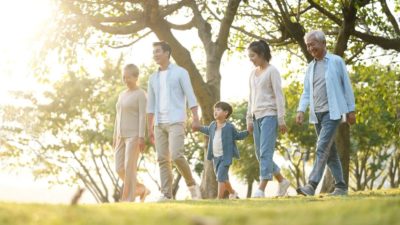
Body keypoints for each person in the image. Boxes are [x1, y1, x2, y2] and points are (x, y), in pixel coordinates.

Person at [296, 30, 356, 196]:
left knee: (322, 147)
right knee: (330, 152)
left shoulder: (336, 61)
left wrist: (351, 109)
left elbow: (347, 86)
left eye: (312, 44)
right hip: (317, 115)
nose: (310, 48)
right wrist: (301, 109)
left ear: (323, 43)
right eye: (308, 45)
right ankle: (341, 187)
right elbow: (306, 92)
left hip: (333, 112)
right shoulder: (310, 67)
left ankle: (311, 185)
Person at [147, 41, 201, 201]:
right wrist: (149, 127)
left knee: (177, 155)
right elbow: (150, 104)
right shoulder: (152, 78)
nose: (155, 55)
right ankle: (166, 194)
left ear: (167, 53)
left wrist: (195, 118)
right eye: (154, 52)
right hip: (159, 123)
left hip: (176, 120)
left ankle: (192, 185)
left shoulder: (180, 72)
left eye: (158, 51)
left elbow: (190, 95)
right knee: (162, 159)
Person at [246, 40, 291, 198]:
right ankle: (282, 180)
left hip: (270, 115)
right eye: (249, 56)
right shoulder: (252, 73)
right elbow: (251, 97)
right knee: (260, 154)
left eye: (253, 55)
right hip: (256, 116)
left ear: (262, 54)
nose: (251, 59)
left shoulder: (272, 71)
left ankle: (261, 188)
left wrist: (281, 118)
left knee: (265, 152)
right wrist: (249, 119)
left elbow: (279, 96)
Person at [194, 101, 248, 199]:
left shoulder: (229, 127)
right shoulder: (212, 125)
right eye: (215, 110)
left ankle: (219, 198)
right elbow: (206, 130)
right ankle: (233, 193)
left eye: (218, 110)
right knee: (223, 177)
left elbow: (238, 136)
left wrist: (248, 131)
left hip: (225, 157)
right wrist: (198, 128)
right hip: (215, 157)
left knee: (220, 177)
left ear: (225, 112)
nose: (215, 112)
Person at [113, 64, 150, 202]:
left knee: (129, 168)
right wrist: (115, 136)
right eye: (124, 77)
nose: (125, 79)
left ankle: (128, 199)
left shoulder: (141, 94)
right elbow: (118, 116)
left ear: (136, 77)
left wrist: (141, 137)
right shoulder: (121, 95)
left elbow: (142, 116)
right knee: (119, 168)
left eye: (128, 77)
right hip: (120, 136)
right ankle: (141, 189)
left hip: (134, 135)